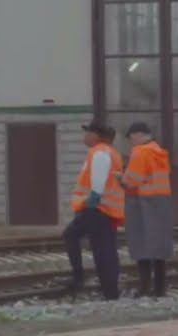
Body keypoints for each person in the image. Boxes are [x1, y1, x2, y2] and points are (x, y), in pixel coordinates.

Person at [63, 120, 125, 301]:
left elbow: (99, 176)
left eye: (87, 132)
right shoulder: (112, 153)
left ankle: (81, 278)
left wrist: (94, 198)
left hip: (96, 208)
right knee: (106, 249)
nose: (85, 136)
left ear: (96, 136)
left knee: (82, 240)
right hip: (106, 210)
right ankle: (109, 290)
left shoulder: (99, 153)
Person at [121, 122, 173, 297]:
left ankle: (144, 288)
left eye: (131, 138)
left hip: (142, 203)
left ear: (137, 135)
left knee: (141, 244)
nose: (131, 142)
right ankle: (159, 289)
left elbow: (132, 180)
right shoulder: (158, 151)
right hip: (162, 201)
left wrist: (120, 177)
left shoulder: (140, 152)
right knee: (158, 246)